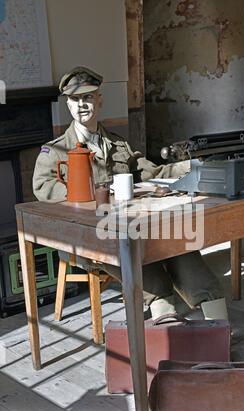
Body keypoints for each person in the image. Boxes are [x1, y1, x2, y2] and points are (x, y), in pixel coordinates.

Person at [33, 66, 228, 321]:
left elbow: (153, 172)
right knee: (142, 260)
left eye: (88, 97)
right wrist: (91, 195)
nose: (82, 105)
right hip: (92, 235)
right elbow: (42, 187)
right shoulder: (56, 151)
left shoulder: (118, 144)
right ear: (68, 105)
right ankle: (165, 325)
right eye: (75, 99)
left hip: (131, 224)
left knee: (180, 244)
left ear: (100, 100)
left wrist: (195, 165)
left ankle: (218, 323)